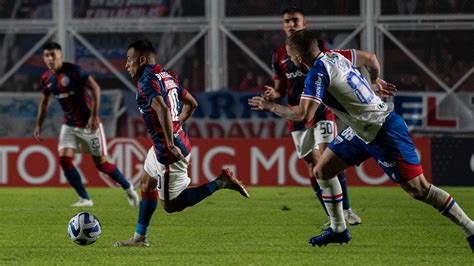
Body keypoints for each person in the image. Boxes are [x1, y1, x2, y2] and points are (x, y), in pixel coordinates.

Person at [249, 30, 474, 252]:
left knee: (419, 190)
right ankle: (338, 229)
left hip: (383, 130)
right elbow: (371, 58)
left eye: (290, 56)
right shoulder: (336, 55)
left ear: (298, 58)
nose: (289, 60)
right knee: (322, 171)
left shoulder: (317, 73)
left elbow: (303, 115)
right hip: (360, 130)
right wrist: (375, 81)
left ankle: (470, 228)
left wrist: (271, 107)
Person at [114, 40, 249, 247]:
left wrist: (169, 142)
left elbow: (163, 110)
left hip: (168, 151)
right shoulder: (168, 75)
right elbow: (192, 103)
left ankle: (220, 183)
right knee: (146, 184)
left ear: (141, 60)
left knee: (171, 206)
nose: (126, 65)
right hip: (166, 143)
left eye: (129, 60)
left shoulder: (146, 81)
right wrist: (176, 127)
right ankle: (139, 238)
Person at [267, 6, 361, 226]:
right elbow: (280, 89)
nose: (291, 24)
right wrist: (274, 94)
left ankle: (345, 210)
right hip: (297, 116)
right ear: (283, 26)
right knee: (312, 165)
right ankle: (331, 215)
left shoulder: (317, 47)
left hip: (321, 111)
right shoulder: (279, 55)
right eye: (287, 21)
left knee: (330, 160)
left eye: (295, 21)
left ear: (304, 24)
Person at [34, 42, 139, 207]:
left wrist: (93, 115)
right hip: (68, 125)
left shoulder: (74, 71)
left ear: (60, 55)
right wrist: (39, 125)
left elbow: (95, 88)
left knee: (102, 165)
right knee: (64, 160)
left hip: (90, 125)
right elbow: (44, 103)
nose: (50, 58)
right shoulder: (46, 78)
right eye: (46, 55)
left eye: (53, 54)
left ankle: (128, 187)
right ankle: (85, 198)